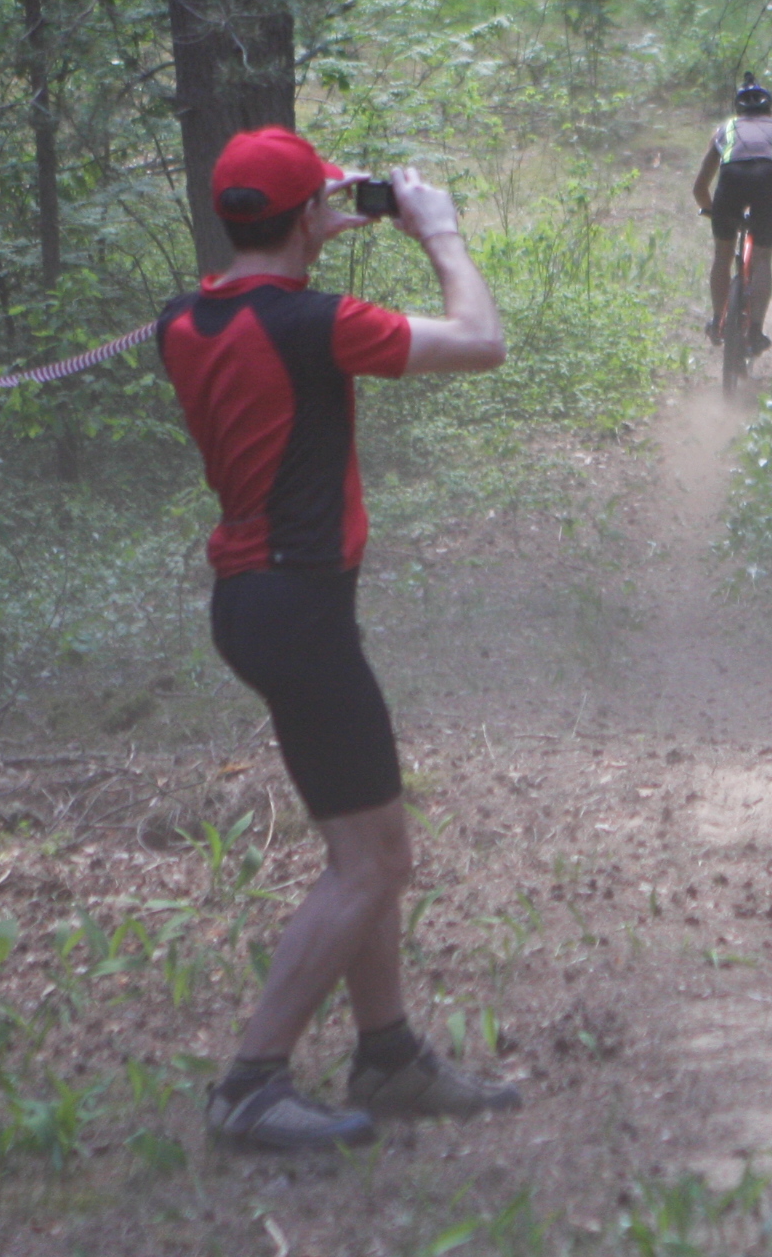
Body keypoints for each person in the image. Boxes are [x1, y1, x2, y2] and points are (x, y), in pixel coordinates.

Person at [159, 127, 518, 1154]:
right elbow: (481, 340)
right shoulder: (314, 323)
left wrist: (310, 222)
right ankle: (251, 1082)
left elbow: (251, 299)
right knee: (375, 860)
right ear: (311, 213)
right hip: (300, 609)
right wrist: (438, 234)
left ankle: (388, 1054)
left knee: (363, 845)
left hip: (255, 602)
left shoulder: (184, 320)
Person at [690, 80, 772, 354]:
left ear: (738, 110)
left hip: (730, 183)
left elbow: (699, 187)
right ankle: (755, 330)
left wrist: (711, 210)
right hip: (767, 183)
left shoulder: (725, 130)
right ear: (770, 109)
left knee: (722, 254)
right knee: (762, 259)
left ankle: (718, 321)